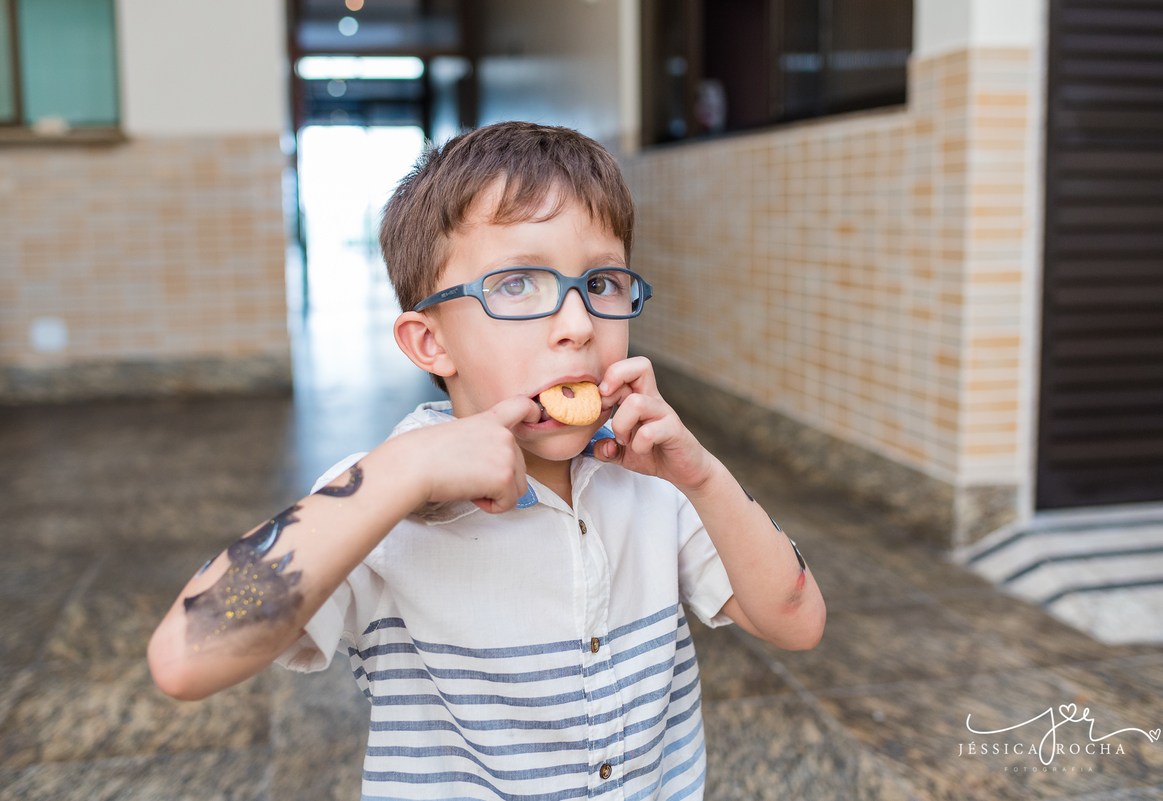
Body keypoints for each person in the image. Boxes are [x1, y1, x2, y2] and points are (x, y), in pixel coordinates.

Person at [148, 121, 825, 799]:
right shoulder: (380, 497)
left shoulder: (651, 481)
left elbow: (796, 620)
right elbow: (186, 656)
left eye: (602, 282)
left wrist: (703, 477)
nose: (578, 323)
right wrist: (402, 472)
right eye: (518, 284)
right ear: (431, 343)